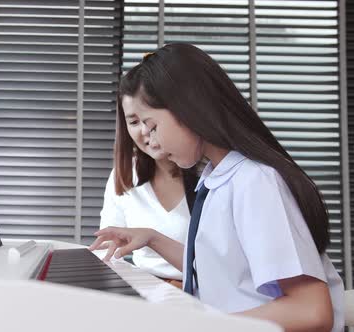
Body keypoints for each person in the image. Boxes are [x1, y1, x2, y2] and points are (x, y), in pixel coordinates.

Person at [89, 43, 344, 332]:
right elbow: (218, 269)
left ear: (189, 110)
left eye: (153, 126)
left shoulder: (254, 181)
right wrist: (152, 238)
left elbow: (311, 312)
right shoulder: (217, 178)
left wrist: (198, 325)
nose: (151, 141)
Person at [99, 86, 199, 287]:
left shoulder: (210, 173)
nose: (146, 131)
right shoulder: (126, 173)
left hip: (202, 293)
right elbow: (107, 251)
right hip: (146, 291)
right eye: (134, 122)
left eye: (150, 120)